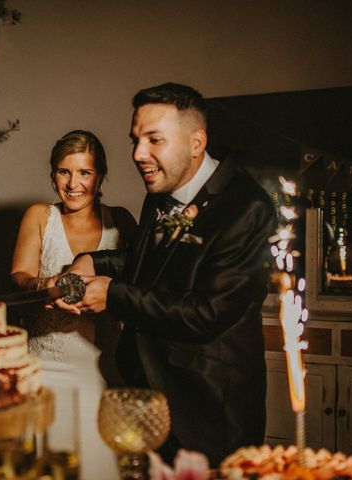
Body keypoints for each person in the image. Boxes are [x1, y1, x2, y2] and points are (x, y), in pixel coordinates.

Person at [55, 83, 277, 466]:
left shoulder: (246, 207)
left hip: (208, 411)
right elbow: (153, 265)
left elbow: (207, 313)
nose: (139, 154)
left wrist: (114, 295)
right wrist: (95, 261)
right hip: (149, 395)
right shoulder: (160, 191)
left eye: (154, 140)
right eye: (136, 140)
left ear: (196, 142)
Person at [11, 130, 136, 479]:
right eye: (64, 171)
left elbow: (142, 284)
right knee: (44, 467)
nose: (73, 183)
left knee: (101, 468)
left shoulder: (122, 221)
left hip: (106, 368)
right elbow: (20, 278)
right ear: (53, 176)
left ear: (100, 176)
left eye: (84, 172)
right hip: (45, 367)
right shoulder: (39, 216)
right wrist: (44, 286)